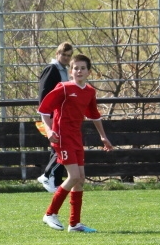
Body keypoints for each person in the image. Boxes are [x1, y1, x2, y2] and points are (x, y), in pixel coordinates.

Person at [38, 53, 113, 233]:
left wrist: (103, 136)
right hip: (62, 137)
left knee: (80, 180)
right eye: (75, 68)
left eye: (82, 68)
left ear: (89, 72)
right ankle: (50, 213)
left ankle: (75, 224)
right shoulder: (63, 88)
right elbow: (43, 110)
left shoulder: (89, 91)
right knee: (74, 177)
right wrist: (49, 131)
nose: (78, 71)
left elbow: (94, 114)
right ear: (70, 71)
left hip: (76, 137)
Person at [36, 42, 73, 192]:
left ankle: (55, 181)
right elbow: (44, 95)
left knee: (57, 147)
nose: (65, 58)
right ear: (57, 54)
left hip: (61, 115)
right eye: (63, 54)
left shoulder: (64, 70)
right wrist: (47, 118)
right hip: (52, 115)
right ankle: (47, 175)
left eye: (69, 56)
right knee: (60, 147)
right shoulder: (52, 69)